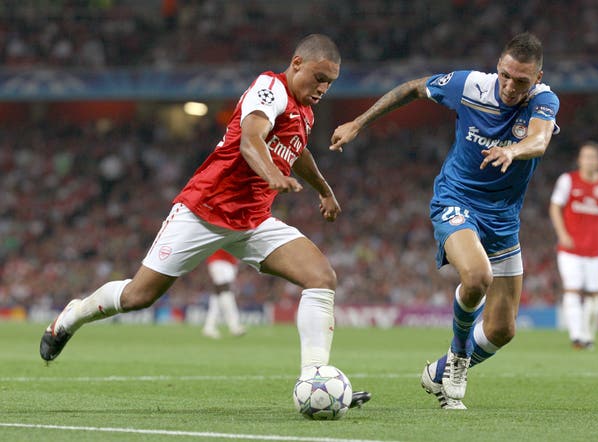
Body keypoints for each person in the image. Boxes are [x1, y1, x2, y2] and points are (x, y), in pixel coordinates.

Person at [40, 33, 370, 409]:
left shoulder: (305, 111)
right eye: (319, 77)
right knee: (138, 296)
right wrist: (270, 174)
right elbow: (251, 141)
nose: (323, 88)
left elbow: (297, 152)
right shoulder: (270, 89)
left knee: (321, 277)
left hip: (252, 221)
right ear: (297, 63)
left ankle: (315, 378)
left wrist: (324, 191)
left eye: (330, 82)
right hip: (204, 212)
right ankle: (73, 315)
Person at [330, 32, 559, 409]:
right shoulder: (469, 85)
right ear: (497, 66)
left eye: (521, 80)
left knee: (502, 330)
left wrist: (513, 150)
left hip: (503, 218)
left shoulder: (544, 100)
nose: (509, 86)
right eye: (504, 75)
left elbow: (539, 140)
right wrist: (358, 122)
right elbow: (412, 89)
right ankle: (457, 359)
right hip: (457, 199)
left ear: (537, 77)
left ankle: (439, 371)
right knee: (476, 276)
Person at [549, 141, 598, 350]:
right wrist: (562, 234)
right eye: (585, 156)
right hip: (570, 249)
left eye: (592, 157)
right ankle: (576, 336)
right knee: (572, 290)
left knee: (594, 294)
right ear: (579, 159)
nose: (588, 160)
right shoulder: (568, 181)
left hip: (595, 249)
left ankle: (589, 336)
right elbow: (555, 207)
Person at [201, 249, 246, 339]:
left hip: (226, 262)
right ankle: (234, 325)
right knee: (225, 291)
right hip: (219, 261)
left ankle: (209, 326)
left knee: (218, 296)